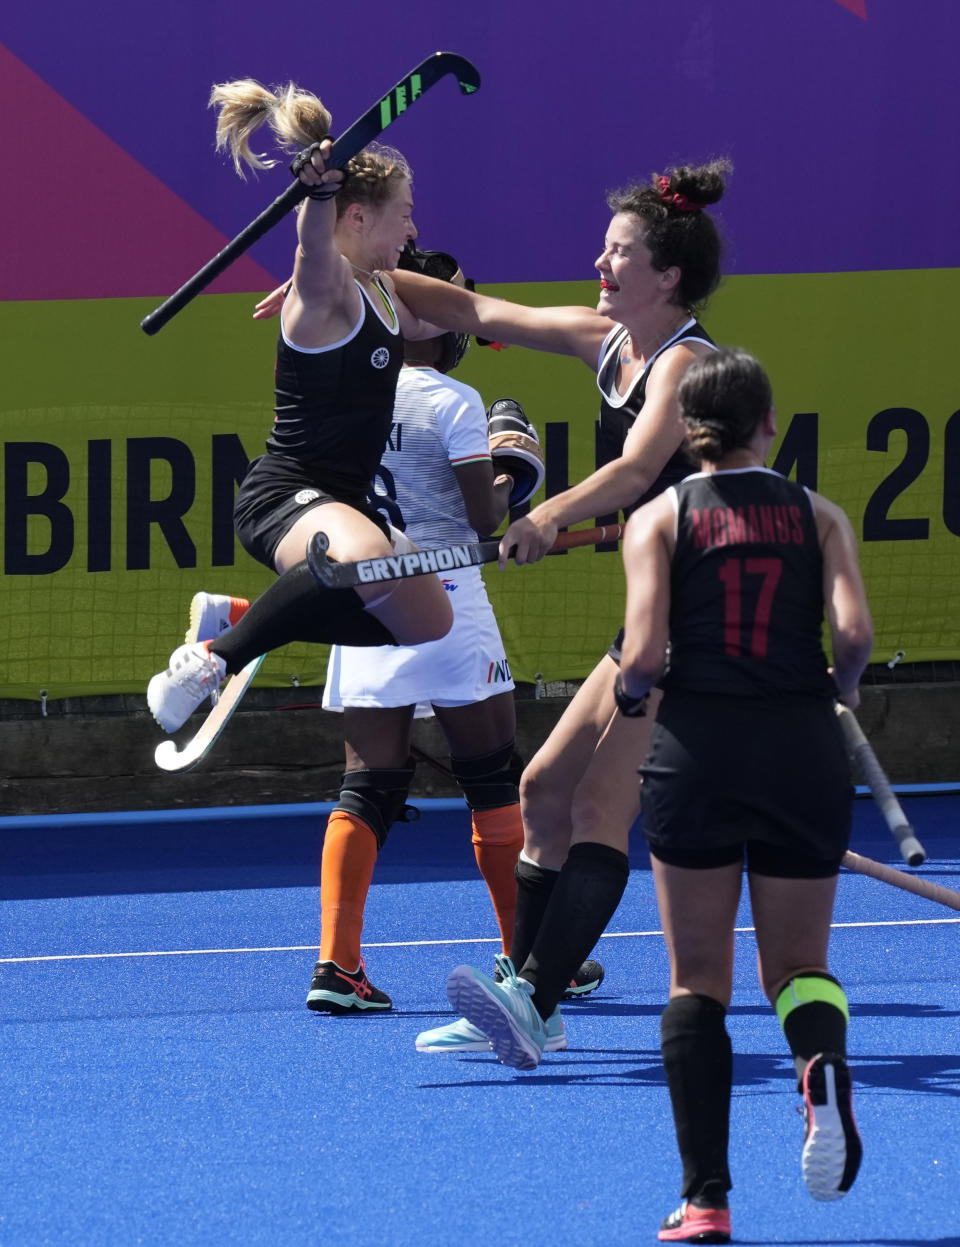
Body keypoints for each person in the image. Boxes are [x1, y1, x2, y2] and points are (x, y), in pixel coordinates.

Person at [191, 244, 601, 1022]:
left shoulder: (356, 395)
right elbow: (485, 518)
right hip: (445, 598)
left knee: (367, 786)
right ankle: (530, 957)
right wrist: (518, 469)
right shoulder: (454, 400)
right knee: (490, 775)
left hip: (367, 598)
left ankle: (336, 964)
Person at [394, 161, 730, 1062]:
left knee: (599, 808)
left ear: (667, 275)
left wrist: (547, 512)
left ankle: (537, 1003)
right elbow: (478, 313)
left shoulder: (686, 366)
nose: (601, 262)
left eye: (620, 254)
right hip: (650, 620)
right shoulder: (607, 339)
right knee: (543, 787)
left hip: (694, 628)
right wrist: (351, 270)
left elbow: (633, 468)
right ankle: (522, 989)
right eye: (605, 248)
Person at [617, 348, 872, 1241]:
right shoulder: (820, 513)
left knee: (698, 981)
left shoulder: (658, 518)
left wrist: (627, 693)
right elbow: (854, 633)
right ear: (770, 423)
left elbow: (644, 656)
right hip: (802, 749)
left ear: (692, 437)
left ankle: (707, 1200)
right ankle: (821, 1063)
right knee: (799, 967)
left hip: (699, 752)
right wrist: (836, 689)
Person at [147, 78, 456, 734]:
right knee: (363, 560)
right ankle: (215, 658)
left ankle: (246, 618)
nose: (414, 225)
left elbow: (460, 303)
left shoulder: (383, 289)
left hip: (347, 506)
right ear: (358, 216)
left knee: (431, 619)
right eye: (405, 210)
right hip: (286, 494)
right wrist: (317, 196)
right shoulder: (326, 283)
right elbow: (315, 253)